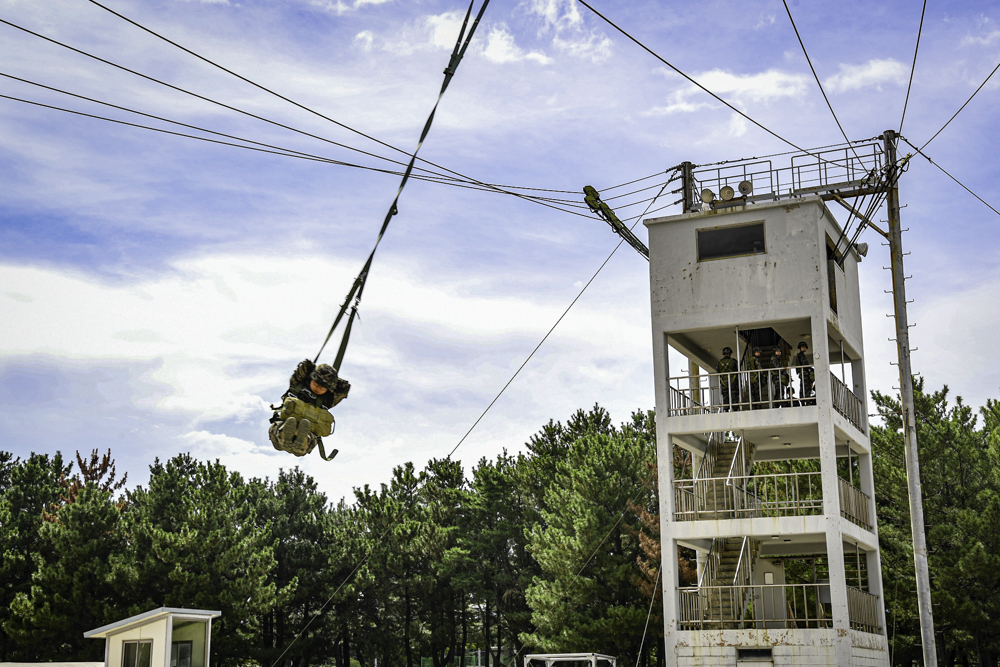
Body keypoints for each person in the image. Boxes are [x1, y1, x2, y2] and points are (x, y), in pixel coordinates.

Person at [269, 359, 351, 458]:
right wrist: (310, 368)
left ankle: (300, 440)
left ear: (328, 390)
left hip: (308, 431)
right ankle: (286, 436)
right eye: (316, 384)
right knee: (279, 429)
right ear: (311, 378)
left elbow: (342, 390)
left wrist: (334, 380)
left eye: (322, 388)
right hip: (286, 423)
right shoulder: (298, 385)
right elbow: (302, 369)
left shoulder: (328, 400)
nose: (318, 388)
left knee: (307, 441)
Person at [716, 346, 739, 411]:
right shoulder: (733, 361)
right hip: (733, 381)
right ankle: (735, 409)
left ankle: (726, 409)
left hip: (723, 381)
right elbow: (737, 370)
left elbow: (718, 371)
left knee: (725, 395)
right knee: (734, 395)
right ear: (730, 353)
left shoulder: (719, 362)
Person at [796, 341, 816, 405]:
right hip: (804, 373)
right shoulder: (800, 355)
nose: (804, 348)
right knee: (805, 387)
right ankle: (805, 401)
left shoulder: (802, 355)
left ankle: (805, 400)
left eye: (804, 347)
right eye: (802, 347)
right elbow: (804, 364)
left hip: (805, 373)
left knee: (806, 387)